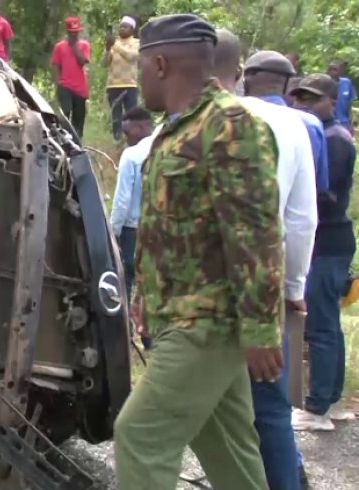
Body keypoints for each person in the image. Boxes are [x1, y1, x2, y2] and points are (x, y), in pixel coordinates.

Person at [114, 15, 282, 489]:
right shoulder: (176, 129)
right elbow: (166, 231)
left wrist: (261, 326)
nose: (136, 77)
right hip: (181, 318)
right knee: (228, 452)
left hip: (208, 322)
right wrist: (147, 300)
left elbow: (256, 231)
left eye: (141, 65)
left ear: (160, 63)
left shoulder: (230, 124)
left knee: (139, 437)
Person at [215, 35, 318, 490]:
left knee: (210, 408)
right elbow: (302, 220)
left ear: (244, 80)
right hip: (266, 285)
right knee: (270, 408)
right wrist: (294, 289)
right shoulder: (298, 126)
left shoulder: (196, 120)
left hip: (203, 289)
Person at [290, 73, 357, 431]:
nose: (302, 103)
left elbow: (322, 195)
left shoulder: (334, 138)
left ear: (332, 101)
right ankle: (329, 400)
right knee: (327, 323)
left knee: (321, 326)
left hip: (329, 241)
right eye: (298, 96)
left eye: (311, 97)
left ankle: (318, 407)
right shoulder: (320, 133)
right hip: (327, 241)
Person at [110, 107, 154, 351]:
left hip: (131, 230)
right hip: (157, 228)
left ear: (140, 127)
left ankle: (123, 333)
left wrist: (113, 231)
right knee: (149, 284)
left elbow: (122, 200)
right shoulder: (167, 145)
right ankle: (150, 339)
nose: (127, 138)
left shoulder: (132, 154)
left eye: (128, 133)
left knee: (124, 280)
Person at [51, 17, 90, 139]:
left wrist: (74, 47)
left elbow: (83, 61)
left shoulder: (84, 45)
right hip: (65, 86)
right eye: (72, 32)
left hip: (80, 89)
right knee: (65, 114)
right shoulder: (59, 47)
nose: (74, 35)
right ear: (67, 32)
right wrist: (58, 84)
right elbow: (56, 67)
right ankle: (63, 140)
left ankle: (77, 143)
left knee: (79, 120)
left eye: (76, 32)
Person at [104, 16, 140, 141]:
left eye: (125, 27)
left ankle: (133, 140)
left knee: (132, 115)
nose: (122, 29)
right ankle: (118, 141)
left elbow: (131, 56)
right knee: (116, 117)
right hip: (113, 85)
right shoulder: (114, 42)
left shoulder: (136, 42)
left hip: (130, 85)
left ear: (132, 30)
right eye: (121, 26)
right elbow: (105, 63)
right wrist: (108, 49)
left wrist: (115, 45)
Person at [327, 60, 356, 134]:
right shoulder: (324, 84)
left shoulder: (346, 83)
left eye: (335, 69)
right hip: (329, 123)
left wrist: (350, 124)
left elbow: (349, 104)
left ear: (340, 71)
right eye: (331, 69)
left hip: (344, 123)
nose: (333, 72)